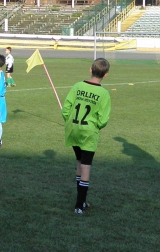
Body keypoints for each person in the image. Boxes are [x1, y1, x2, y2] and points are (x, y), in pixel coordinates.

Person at [61, 58, 111, 214]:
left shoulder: (77, 86)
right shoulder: (103, 93)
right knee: (86, 166)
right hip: (88, 133)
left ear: (90, 70)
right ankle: (79, 204)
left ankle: (81, 202)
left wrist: (69, 121)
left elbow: (66, 108)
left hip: (74, 129)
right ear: (106, 75)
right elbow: (103, 120)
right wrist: (95, 125)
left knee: (79, 162)